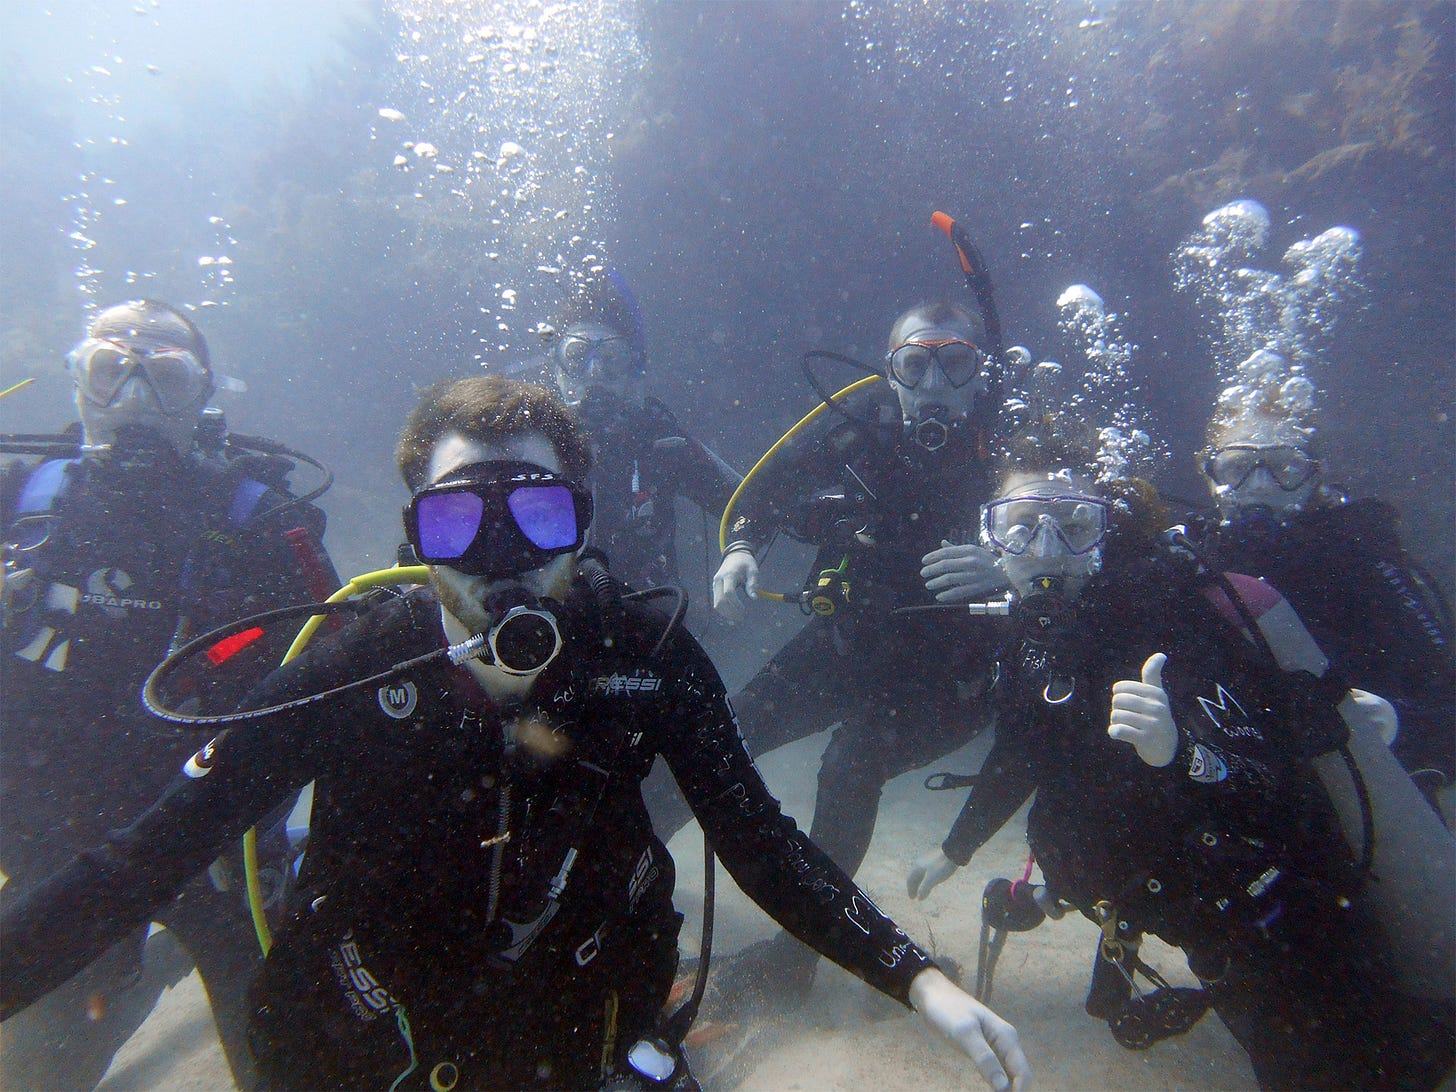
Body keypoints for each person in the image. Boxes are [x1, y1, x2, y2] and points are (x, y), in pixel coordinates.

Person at [1, 376, 1030, 1092]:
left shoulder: (644, 655)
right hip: (362, 1032)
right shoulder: (358, 660)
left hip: (580, 1024)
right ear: (413, 539)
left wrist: (914, 977)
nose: (499, 554)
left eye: (535, 516)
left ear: (580, 525)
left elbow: (758, 840)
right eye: (457, 522)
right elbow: (150, 855)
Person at [906, 455, 1455, 1090]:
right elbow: (1025, 753)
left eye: (1074, 525)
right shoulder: (1034, 641)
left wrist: (1180, 752)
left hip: (1278, 919)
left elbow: (1281, 801)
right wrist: (956, 849)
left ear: (1105, 536)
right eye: (1021, 526)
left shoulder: (1173, 625)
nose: (1046, 548)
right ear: (990, 539)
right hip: (1188, 914)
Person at [0, 300, 339, 1091]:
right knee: (38, 1065)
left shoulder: (265, 519)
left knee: (284, 1063)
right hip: (56, 835)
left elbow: (331, 668)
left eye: (166, 378)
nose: (134, 400)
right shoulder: (21, 503)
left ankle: (146, 960)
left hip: (218, 836)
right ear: (77, 383)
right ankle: (134, 970)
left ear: (205, 395)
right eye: (109, 371)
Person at [701, 297, 1011, 1001]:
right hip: (849, 643)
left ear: (981, 373)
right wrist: (743, 549)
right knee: (718, 735)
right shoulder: (853, 434)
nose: (933, 384)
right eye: (915, 363)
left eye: (954, 362)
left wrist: (1011, 568)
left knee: (849, 765)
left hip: (950, 680)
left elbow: (1091, 540)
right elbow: (766, 492)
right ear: (891, 372)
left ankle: (795, 960)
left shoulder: (1016, 448)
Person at [1187, 350, 1455, 819]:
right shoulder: (1187, 562)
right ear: (1208, 474)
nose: (1261, 486)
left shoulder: (1361, 559)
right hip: (1238, 803)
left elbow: (1445, 701)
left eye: (1285, 467)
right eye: (1237, 468)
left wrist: (1397, 723)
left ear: (1316, 475)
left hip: (1362, 806)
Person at [547, 271, 740, 592]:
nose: (594, 371)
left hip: (647, 623)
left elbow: (747, 502)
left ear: (631, 370)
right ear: (556, 369)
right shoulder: (532, 443)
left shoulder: (659, 442)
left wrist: (740, 548)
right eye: (578, 356)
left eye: (611, 358)